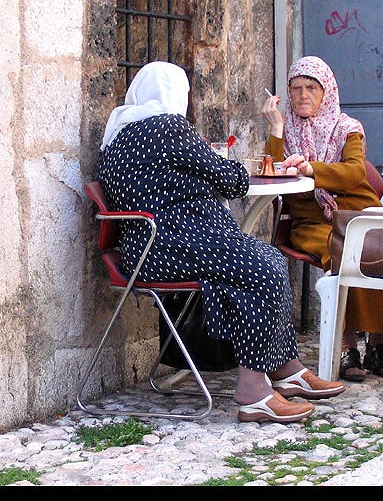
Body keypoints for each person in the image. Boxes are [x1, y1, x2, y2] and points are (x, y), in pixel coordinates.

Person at [98, 61, 345, 424]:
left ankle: (284, 370)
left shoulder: (117, 137)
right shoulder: (167, 127)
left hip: (148, 248)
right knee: (265, 264)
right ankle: (254, 392)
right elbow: (231, 180)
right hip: (172, 244)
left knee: (256, 264)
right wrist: (220, 167)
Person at [261, 55, 383, 382]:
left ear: (327, 92)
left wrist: (312, 170)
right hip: (312, 222)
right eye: (296, 88)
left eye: (311, 88)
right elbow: (270, 173)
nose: (302, 95)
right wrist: (276, 128)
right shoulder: (285, 129)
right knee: (344, 253)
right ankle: (348, 349)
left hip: (360, 212)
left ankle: (378, 345)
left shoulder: (346, 128)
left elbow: (355, 172)